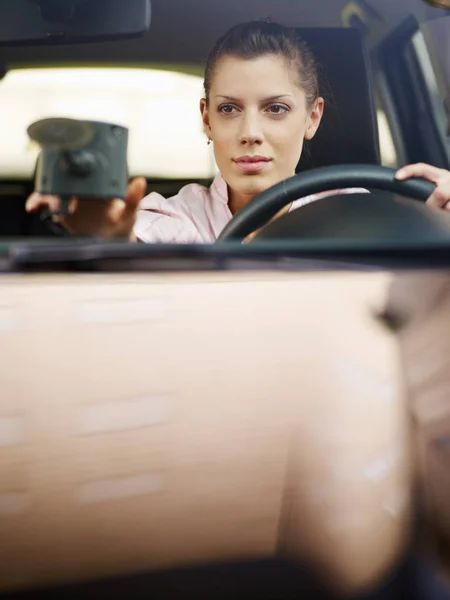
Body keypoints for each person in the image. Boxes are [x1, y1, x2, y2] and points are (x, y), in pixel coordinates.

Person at [25, 20, 450, 242]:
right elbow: (139, 241)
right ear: (207, 119)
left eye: (276, 109)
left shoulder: (363, 213)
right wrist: (111, 241)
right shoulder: (178, 219)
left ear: (312, 118)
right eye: (229, 109)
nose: (250, 132)